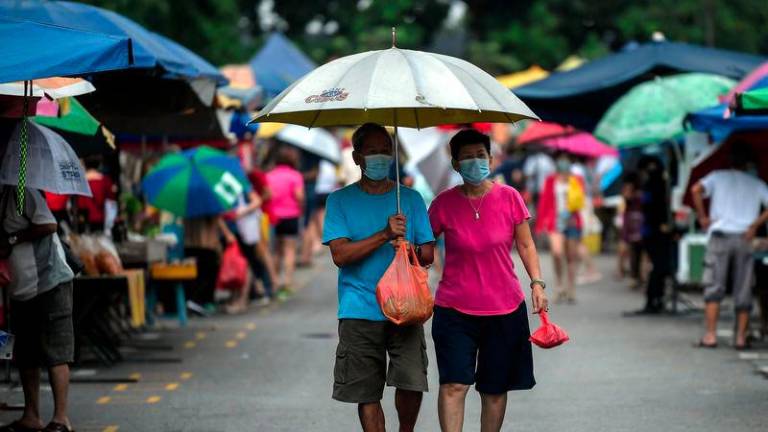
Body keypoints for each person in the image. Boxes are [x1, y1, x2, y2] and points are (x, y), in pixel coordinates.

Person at [428, 129, 547, 432]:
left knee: (494, 390)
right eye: (466, 158)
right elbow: (424, 250)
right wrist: (407, 237)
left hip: (504, 308)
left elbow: (526, 245)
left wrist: (537, 283)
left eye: (480, 156)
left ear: (491, 159)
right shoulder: (442, 204)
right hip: (454, 309)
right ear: (455, 164)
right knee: (454, 384)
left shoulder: (510, 198)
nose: (474, 162)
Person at [323, 123, 435, 432]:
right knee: (366, 390)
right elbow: (340, 255)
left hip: (407, 306)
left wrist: (411, 249)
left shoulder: (410, 198)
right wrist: (384, 234)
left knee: (412, 380)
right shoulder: (339, 201)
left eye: (385, 151)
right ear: (357, 157)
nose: (380, 158)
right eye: (372, 152)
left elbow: (428, 255)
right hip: (359, 307)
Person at [0, 187, 76, 432]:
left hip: (49, 280)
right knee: (26, 353)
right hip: (21, 287)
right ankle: (31, 415)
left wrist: (12, 239)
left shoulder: (21, 191)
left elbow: (49, 224)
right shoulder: (3, 197)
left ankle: (60, 418)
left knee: (56, 349)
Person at [691, 146, 768, 349]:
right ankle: (741, 338)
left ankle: (710, 335)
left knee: (714, 285)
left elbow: (695, 190)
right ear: (749, 164)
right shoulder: (756, 183)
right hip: (745, 238)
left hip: (720, 236)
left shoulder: (717, 177)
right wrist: (754, 226)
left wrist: (702, 217)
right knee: (744, 287)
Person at [535, 153, 586, 303]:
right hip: (555, 222)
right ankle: (559, 285)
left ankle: (570, 289)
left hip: (571, 221)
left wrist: (571, 183)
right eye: (560, 160)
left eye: (566, 160)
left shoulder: (576, 180)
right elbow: (544, 202)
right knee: (557, 253)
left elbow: (580, 200)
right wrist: (540, 225)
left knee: (571, 257)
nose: (563, 162)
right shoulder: (551, 180)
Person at [625, 155, 673, 315]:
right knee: (658, 266)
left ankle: (655, 298)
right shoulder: (652, 186)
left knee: (657, 267)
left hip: (650, 231)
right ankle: (653, 299)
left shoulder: (653, 185)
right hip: (652, 231)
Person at [266, 146, 305, 295]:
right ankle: (287, 282)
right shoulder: (295, 175)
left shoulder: (270, 175)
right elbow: (299, 196)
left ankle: (274, 280)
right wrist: (301, 209)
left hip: (274, 218)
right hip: (291, 216)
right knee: (289, 250)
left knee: (276, 250)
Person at [75, 156, 117, 234]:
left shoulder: (81, 181)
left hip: (85, 220)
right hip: (101, 218)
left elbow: (80, 203)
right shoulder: (105, 180)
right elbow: (112, 200)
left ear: (85, 164)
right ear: (99, 165)